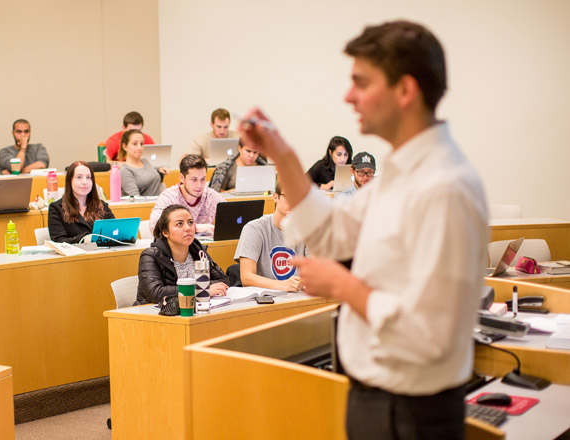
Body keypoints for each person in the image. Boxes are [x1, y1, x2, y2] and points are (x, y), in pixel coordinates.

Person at [240, 20, 487, 440]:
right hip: (379, 397)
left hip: (411, 409)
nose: (348, 95)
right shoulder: (401, 171)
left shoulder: (444, 186)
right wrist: (281, 154)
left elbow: (434, 334)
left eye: (361, 82)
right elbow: (334, 230)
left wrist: (343, 285)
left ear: (405, 91)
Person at [136, 205, 228, 305]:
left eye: (190, 222)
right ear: (165, 232)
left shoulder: (198, 250)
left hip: (190, 309)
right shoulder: (151, 256)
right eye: (179, 224)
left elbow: (223, 281)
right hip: (154, 314)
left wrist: (204, 288)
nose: (187, 228)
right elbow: (156, 294)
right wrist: (202, 290)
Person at [234, 182, 306, 291]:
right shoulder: (254, 228)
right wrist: (283, 285)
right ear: (276, 197)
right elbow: (246, 278)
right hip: (265, 297)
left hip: (298, 295)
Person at [149, 154, 225, 234]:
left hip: (206, 246)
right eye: (194, 180)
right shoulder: (169, 197)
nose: (199, 185)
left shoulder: (211, 195)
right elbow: (154, 226)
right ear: (182, 178)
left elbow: (234, 217)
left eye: (203, 179)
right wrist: (194, 227)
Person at [47, 161, 115, 243]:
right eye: (79, 177)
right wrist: (83, 239)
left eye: (88, 177)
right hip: (74, 255)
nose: (85, 182)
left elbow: (114, 232)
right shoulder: (56, 208)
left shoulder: (102, 206)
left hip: (102, 254)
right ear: (69, 180)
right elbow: (58, 241)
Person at [119, 129, 167, 196]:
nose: (139, 147)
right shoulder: (125, 171)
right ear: (125, 146)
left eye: (141, 144)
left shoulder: (145, 161)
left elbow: (153, 183)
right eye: (135, 144)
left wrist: (159, 171)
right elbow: (136, 198)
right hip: (146, 205)